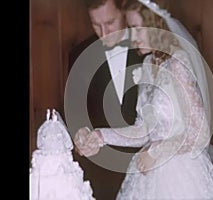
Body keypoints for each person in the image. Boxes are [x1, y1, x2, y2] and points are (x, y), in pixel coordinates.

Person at [74, 0, 213, 199]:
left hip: (181, 174)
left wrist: (156, 152)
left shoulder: (177, 63)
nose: (133, 36)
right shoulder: (147, 64)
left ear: (155, 25)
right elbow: (144, 130)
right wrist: (101, 136)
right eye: (130, 28)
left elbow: (200, 133)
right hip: (149, 172)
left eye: (137, 28)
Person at [68, 0, 144, 199]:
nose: (104, 33)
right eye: (95, 24)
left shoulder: (148, 47)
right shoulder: (79, 54)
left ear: (124, 12)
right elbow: (76, 110)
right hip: (101, 172)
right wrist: (80, 134)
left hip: (147, 167)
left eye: (110, 22)